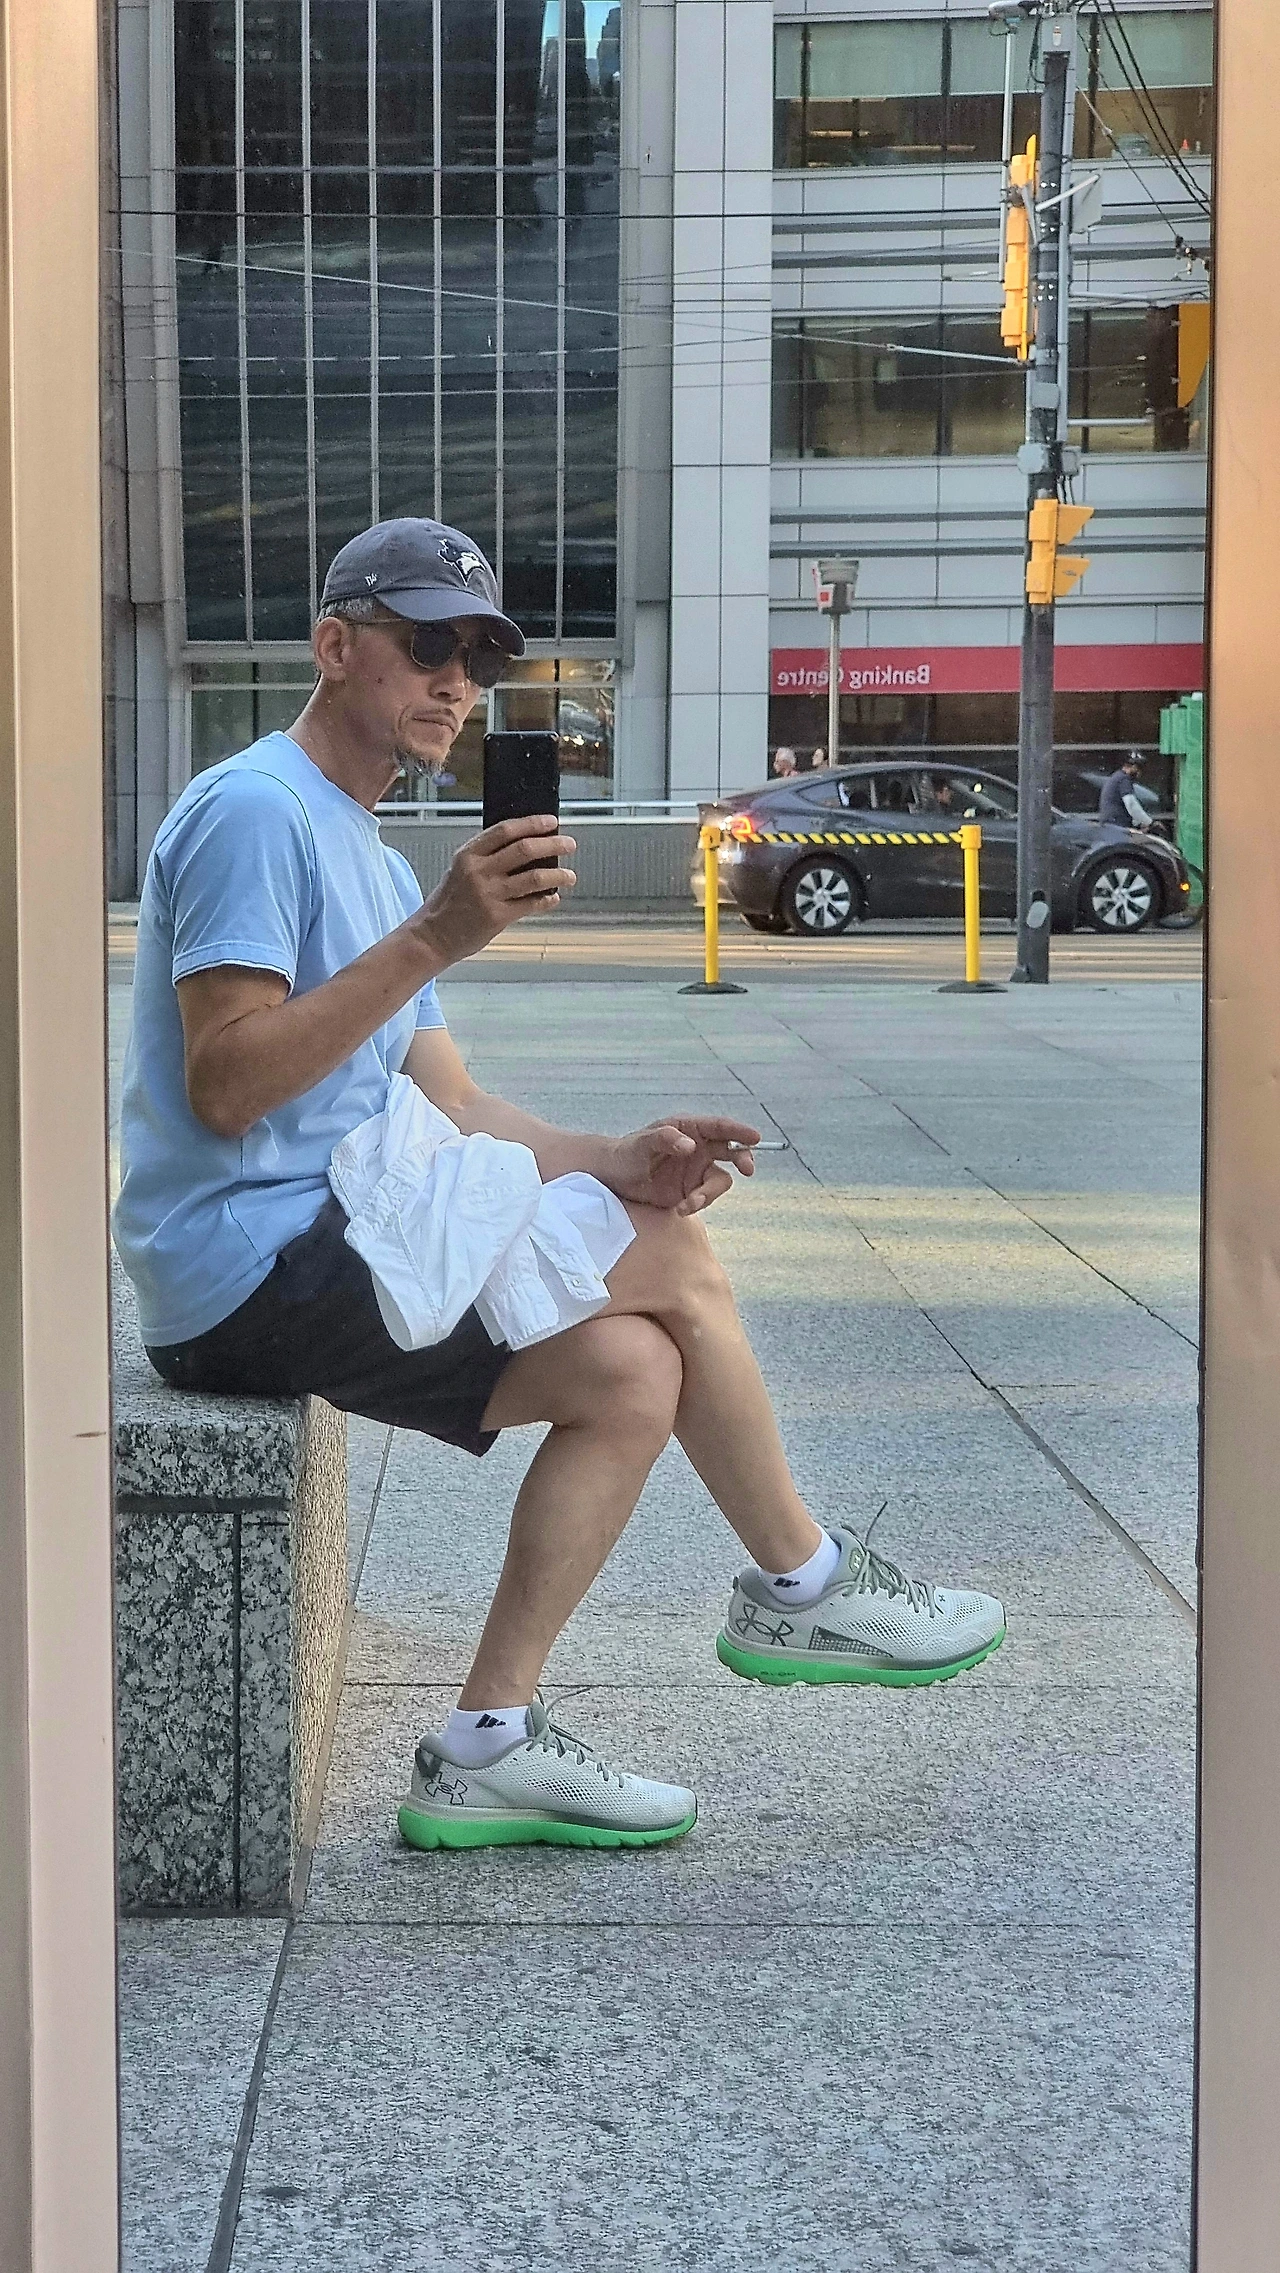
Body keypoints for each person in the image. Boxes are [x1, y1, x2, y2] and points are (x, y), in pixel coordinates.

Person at [114, 516, 1005, 1856]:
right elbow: (226, 1085)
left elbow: (456, 1104)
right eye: (427, 644)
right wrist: (438, 935)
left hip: (335, 1234)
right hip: (245, 1261)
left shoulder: (370, 850)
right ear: (335, 645)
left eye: (477, 657)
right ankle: (804, 1582)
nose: (455, 681)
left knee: (633, 1371)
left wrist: (615, 1151)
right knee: (666, 1254)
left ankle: (487, 1742)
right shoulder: (255, 810)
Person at [1099, 752, 1152, 831]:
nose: (1140, 772)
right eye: (1139, 768)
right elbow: (1131, 804)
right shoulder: (1124, 779)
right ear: (1134, 767)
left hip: (1110, 825)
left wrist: (1138, 823)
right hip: (1117, 827)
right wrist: (1148, 822)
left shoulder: (1117, 776)